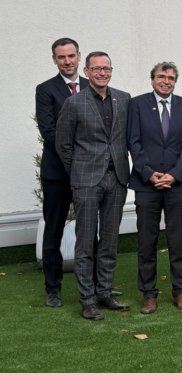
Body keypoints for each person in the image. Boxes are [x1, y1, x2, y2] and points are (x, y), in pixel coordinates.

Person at [55, 51, 131, 320]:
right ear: (86, 71)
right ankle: (87, 300)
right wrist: (79, 171)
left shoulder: (124, 99)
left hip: (117, 178)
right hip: (86, 181)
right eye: (97, 69)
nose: (102, 73)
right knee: (85, 242)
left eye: (106, 68)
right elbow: (63, 145)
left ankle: (104, 292)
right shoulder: (74, 103)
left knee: (109, 241)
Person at [127, 62, 182, 314]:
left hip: (178, 185)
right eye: (161, 76)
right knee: (147, 241)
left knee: (178, 240)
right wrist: (149, 174)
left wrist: (174, 175)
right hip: (146, 184)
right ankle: (149, 294)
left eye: (170, 78)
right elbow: (133, 143)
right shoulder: (137, 105)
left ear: (175, 82)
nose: (166, 81)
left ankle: (180, 292)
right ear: (152, 79)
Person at [35, 38, 88, 308]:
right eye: (61, 57)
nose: (67, 61)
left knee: (89, 230)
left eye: (71, 56)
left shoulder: (93, 85)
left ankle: (93, 286)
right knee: (53, 231)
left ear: (79, 56)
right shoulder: (45, 90)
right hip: (58, 173)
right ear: (54, 59)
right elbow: (49, 131)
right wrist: (77, 159)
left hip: (89, 174)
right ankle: (53, 289)